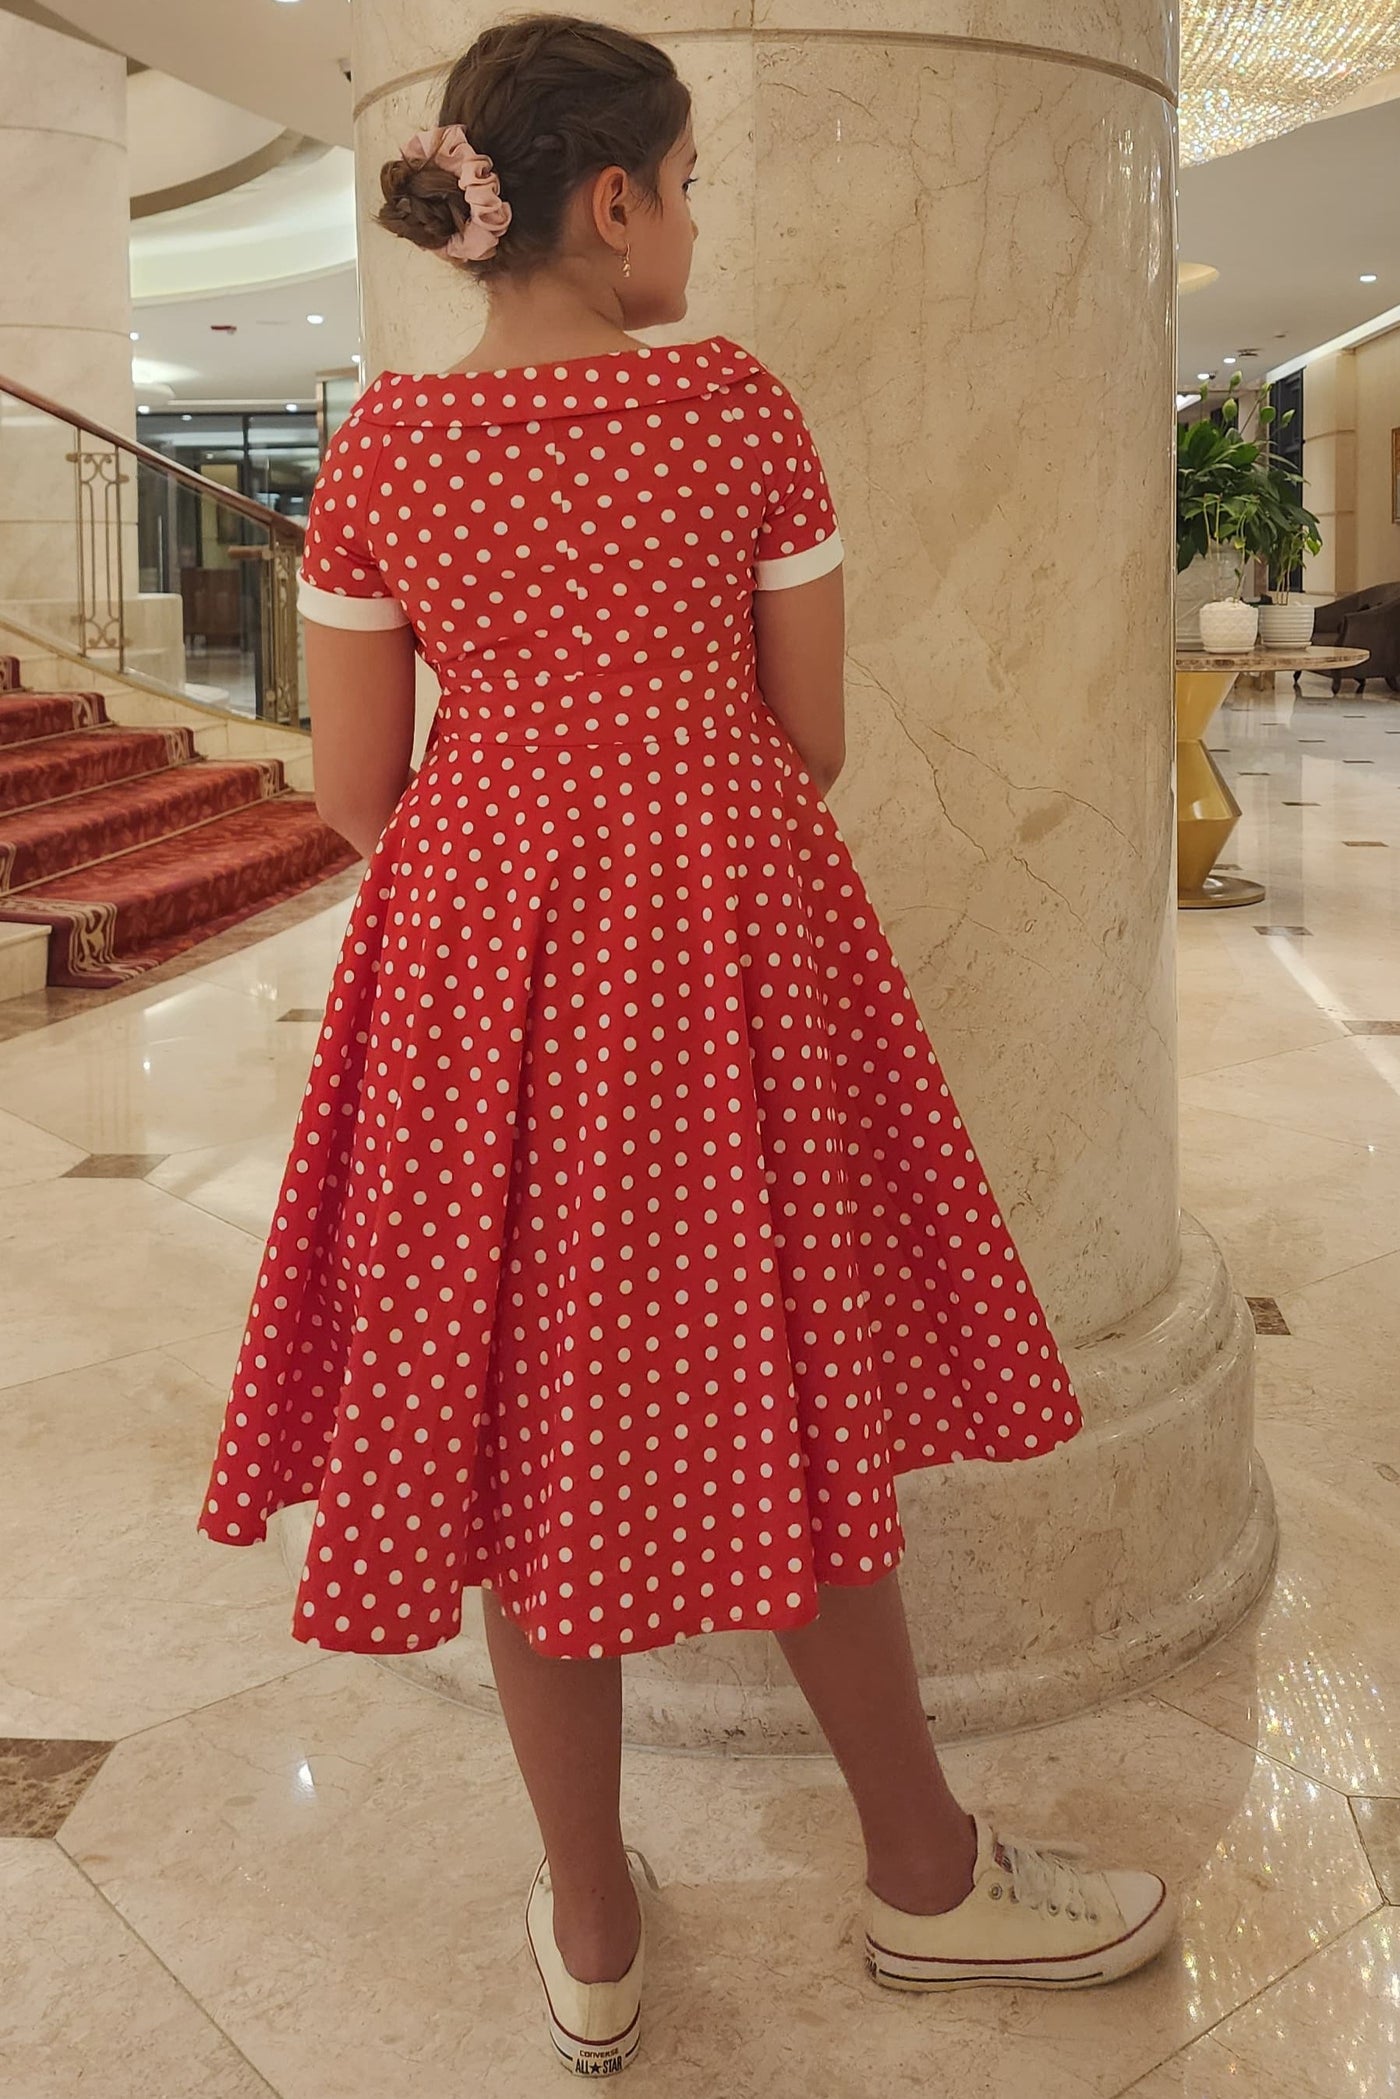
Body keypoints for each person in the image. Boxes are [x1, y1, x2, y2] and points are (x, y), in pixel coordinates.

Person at [197, 12, 1175, 2078]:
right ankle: (925, 1880)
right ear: (617, 197)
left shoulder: (378, 447)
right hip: (727, 934)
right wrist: (659, 802)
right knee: (794, 1381)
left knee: (510, 1409)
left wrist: (515, 850)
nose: (700, 218)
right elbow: (807, 737)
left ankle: (595, 1922)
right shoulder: (730, 406)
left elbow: (355, 788)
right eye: (692, 179)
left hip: (476, 960)